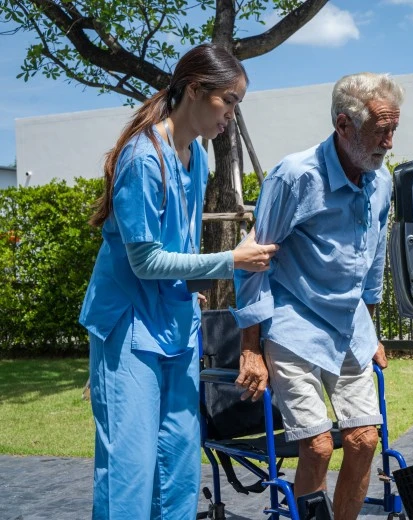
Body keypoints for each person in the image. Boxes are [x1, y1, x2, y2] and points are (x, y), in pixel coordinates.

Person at [79, 43, 279, 519]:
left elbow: (181, 247)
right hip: (128, 326)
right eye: (228, 100)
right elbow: (145, 261)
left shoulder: (198, 159)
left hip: (176, 322)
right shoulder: (142, 159)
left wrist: (191, 283)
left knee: (179, 461)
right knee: (130, 468)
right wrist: (230, 260)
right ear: (194, 90)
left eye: (237, 103)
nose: (232, 114)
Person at [231, 72, 403, 520]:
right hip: (294, 325)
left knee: (365, 440)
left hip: (349, 327)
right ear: (343, 125)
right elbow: (254, 259)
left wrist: (371, 329)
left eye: (393, 130)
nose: (388, 143)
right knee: (318, 446)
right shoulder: (295, 176)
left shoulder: (381, 181)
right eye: (380, 130)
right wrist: (250, 348)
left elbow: (373, 258)